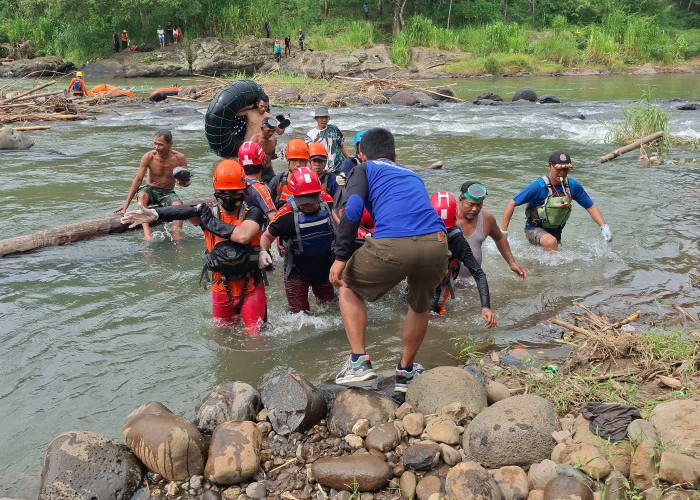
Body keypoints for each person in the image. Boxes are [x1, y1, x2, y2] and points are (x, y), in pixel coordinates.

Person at [329, 127, 450, 392]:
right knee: (419, 306)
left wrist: (341, 256)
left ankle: (358, 363)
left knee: (347, 285)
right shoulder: (412, 174)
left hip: (394, 243)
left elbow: (352, 208)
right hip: (438, 243)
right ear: (395, 155)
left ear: (361, 154)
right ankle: (405, 373)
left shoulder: (363, 168)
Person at [120, 160, 269, 334]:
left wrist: (206, 217)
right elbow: (186, 212)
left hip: (251, 287)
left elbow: (244, 236)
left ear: (244, 192)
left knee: (257, 339)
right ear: (215, 192)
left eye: (234, 193)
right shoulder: (210, 213)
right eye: (223, 193)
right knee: (221, 337)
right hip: (221, 288)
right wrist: (156, 213)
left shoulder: (253, 213)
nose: (228, 197)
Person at [501, 151, 612, 252]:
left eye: (566, 169)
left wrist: (604, 227)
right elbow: (512, 203)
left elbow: (590, 207)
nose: (562, 173)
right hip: (533, 228)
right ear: (549, 166)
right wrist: (504, 233)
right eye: (559, 169)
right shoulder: (538, 186)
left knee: (555, 252)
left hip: (556, 231)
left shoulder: (573, 186)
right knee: (551, 243)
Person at [260, 167, 336, 313]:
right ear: (294, 195)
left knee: (331, 308)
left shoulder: (327, 203)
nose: (308, 205)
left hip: (324, 269)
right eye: (304, 201)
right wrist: (264, 251)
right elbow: (266, 236)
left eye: (312, 199)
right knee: (298, 314)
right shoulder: (286, 214)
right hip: (297, 272)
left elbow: (341, 225)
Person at [428, 192, 497, 327]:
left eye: (445, 230)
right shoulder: (417, 230)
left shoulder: (458, 241)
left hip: (442, 279)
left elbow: (478, 273)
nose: (441, 234)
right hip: (422, 274)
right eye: (436, 229)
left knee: (432, 313)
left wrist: (486, 307)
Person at [113, 129, 189, 240]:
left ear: (170, 144)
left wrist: (182, 182)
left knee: (178, 207)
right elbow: (138, 180)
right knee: (142, 195)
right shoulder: (148, 157)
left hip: (167, 192)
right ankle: (147, 233)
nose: (156, 147)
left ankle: (176, 234)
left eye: (160, 144)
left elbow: (187, 182)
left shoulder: (179, 158)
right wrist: (126, 203)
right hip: (150, 189)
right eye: (155, 143)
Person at [456, 181, 526, 280]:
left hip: (472, 280)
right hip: (448, 279)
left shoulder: (487, 219)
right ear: (460, 200)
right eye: (470, 204)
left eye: (479, 205)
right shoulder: (447, 217)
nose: (475, 209)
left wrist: (512, 263)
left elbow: (500, 238)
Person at [237, 140, 277, 222]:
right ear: (263, 162)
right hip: (255, 231)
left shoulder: (237, 184)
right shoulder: (259, 189)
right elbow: (275, 219)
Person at [305, 106, 350, 175]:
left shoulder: (334, 129)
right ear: (316, 119)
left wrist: (350, 161)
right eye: (321, 117)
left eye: (326, 117)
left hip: (340, 167)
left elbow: (341, 145)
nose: (324, 120)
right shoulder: (310, 135)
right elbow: (308, 155)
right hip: (323, 170)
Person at [268, 138, 309, 208]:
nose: (298, 164)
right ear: (287, 161)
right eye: (294, 160)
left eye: (302, 160)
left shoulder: (312, 182)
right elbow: (267, 206)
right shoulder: (277, 181)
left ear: (306, 162)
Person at [250, 117, 279, 184]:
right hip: (257, 170)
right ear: (262, 128)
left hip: (269, 170)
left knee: (276, 185)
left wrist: (281, 154)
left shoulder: (274, 139)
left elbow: (271, 155)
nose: (271, 133)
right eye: (269, 131)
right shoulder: (255, 140)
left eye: (273, 131)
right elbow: (249, 158)